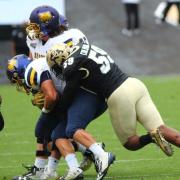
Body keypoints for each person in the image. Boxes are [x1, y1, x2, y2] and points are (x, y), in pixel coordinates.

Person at [46, 42, 180, 158]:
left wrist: (54, 110)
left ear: (59, 60)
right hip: (134, 84)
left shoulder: (70, 65)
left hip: (118, 94)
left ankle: (151, 137)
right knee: (162, 128)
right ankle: (156, 133)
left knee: (130, 143)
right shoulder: (84, 47)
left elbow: (68, 96)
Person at [10, 5, 96, 180]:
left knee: (49, 130)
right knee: (53, 133)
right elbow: (34, 64)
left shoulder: (73, 37)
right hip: (52, 89)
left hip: (72, 91)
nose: (32, 30)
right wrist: (39, 89)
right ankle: (84, 153)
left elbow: (83, 67)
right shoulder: (33, 40)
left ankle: (43, 170)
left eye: (36, 25)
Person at [6, 54, 111, 180]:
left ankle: (98, 153)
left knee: (48, 129)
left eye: (17, 79)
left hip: (84, 97)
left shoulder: (32, 70)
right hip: (82, 96)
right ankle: (69, 168)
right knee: (55, 134)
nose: (20, 84)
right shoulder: (39, 64)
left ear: (22, 71)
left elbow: (52, 95)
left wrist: (46, 109)